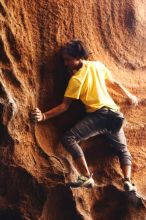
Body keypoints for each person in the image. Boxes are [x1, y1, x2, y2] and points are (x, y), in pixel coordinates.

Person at [32, 39, 138, 190]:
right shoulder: (97, 66)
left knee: (69, 138)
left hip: (100, 115)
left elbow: (64, 106)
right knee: (123, 149)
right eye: (64, 60)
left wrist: (43, 116)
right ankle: (127, 181)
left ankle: (86, 177)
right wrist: (129, 96)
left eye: (67, 59)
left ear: (77, 58)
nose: (65, 63)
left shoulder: (76, 80)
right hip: (115, 116)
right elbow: (114, 83)